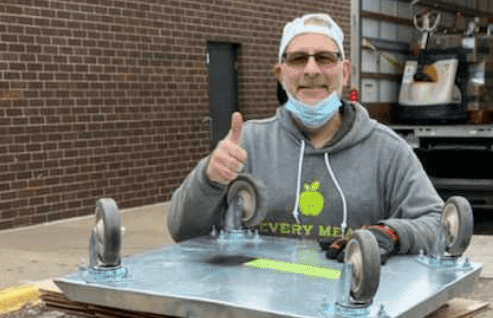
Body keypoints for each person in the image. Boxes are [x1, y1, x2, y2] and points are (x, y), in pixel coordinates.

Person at [167, 13, 444, 260]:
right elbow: (182, 230)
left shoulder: (387, 150)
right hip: (266, 307)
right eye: (298, 59)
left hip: (354, 305)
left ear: (345, 71)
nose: (311, 70)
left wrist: (390, 234)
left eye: (324, 58)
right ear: (281, 74)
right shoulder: (248, 144)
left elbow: (438, 224)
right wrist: (208, 179)